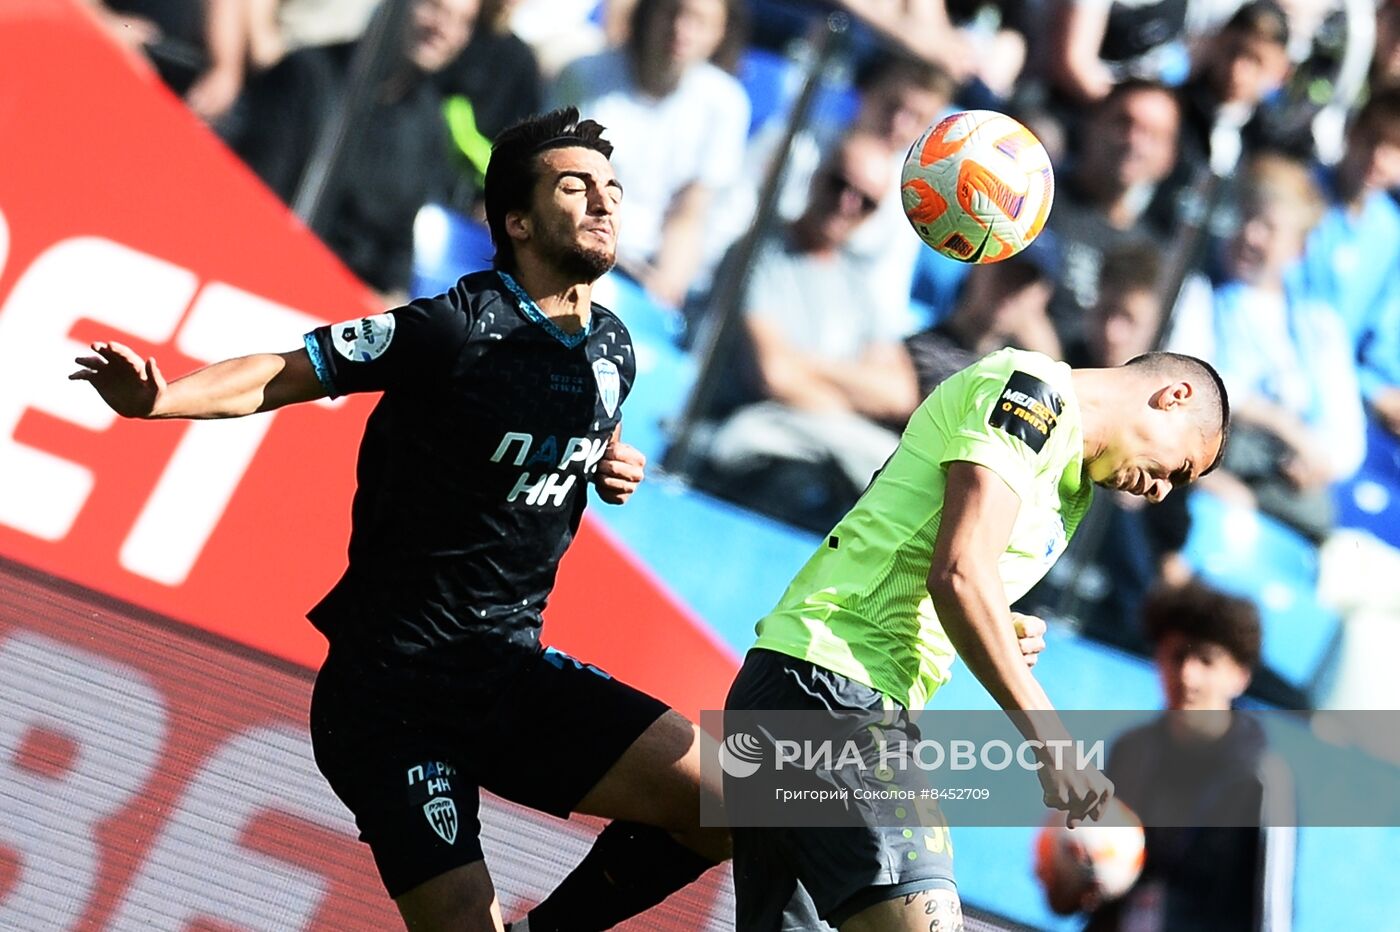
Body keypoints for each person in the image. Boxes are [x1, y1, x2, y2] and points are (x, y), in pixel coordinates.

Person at [71, 107, 727, 932]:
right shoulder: (453, 329)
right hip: (392, 697)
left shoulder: (614, 348)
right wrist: (161, 400)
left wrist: (606, 463)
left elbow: (592, 419)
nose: (604, 203)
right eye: (576, 186)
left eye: (613, 190)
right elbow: (286, 370)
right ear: (518, 221)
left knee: (745, 799)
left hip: (508, 672)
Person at [724, 346, 1230, 930]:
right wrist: (1053, 745)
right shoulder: (1034, 394)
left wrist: (999, 618)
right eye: (1181, 469)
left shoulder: (1072, 490)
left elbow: (944, 561)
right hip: (836, 688)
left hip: (811, 687)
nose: (1164, 492)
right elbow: (960, 574)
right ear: (1174, 397)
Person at [697, 130, 920, 533]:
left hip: (830, 445)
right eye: (840, 184)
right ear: (818, 176)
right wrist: (851, 397)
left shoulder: (860, 284)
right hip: (755, 435)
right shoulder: (759, 253)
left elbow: (899, 393)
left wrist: (807, 364)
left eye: (865, 201)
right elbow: (772, 375)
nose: (847, 203)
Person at [1047, 582, 1296, 931]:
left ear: (1240, 676)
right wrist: (1068, 875)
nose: (1187, 675)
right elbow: (1073, 899)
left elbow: (1271, 919)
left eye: (1206, 660)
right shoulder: (1129, 750)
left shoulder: (1265, 782)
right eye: (1177, 655)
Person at [224, 0, 478, 303]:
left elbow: (400, 244)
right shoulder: (307, 76)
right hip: (270, 282)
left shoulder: (430, 123)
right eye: (434, 8)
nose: (443, 29)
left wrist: (390, 305)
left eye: (462, 21)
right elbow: (255, 202)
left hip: (353, 311)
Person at [1173, 153, 1365, 542]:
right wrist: (1281, 424)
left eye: (1270, 228)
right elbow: (1191, 378)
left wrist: (1315, 461)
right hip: (1211, 468)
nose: (1251, 236)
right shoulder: (1198, 292)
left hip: (1285, 489)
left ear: (1299, 248)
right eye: (1247, 218)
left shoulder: (1319, 326)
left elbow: (1346, 440)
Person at [550, 0, 751, 307]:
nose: (681, 30)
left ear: (720, 33)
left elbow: (689, 213)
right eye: (672, 13)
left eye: (699, 21)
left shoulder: (726, 106)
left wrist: (665, 288)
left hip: (642, 275)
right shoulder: (583, 74)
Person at [1045, 80, 1182, 348]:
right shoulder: (1038, 198)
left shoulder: (1153, 253)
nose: (1133, 141)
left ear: (1169, 158)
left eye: (1152, 135)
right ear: (1091, 124)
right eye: (1123, 123)